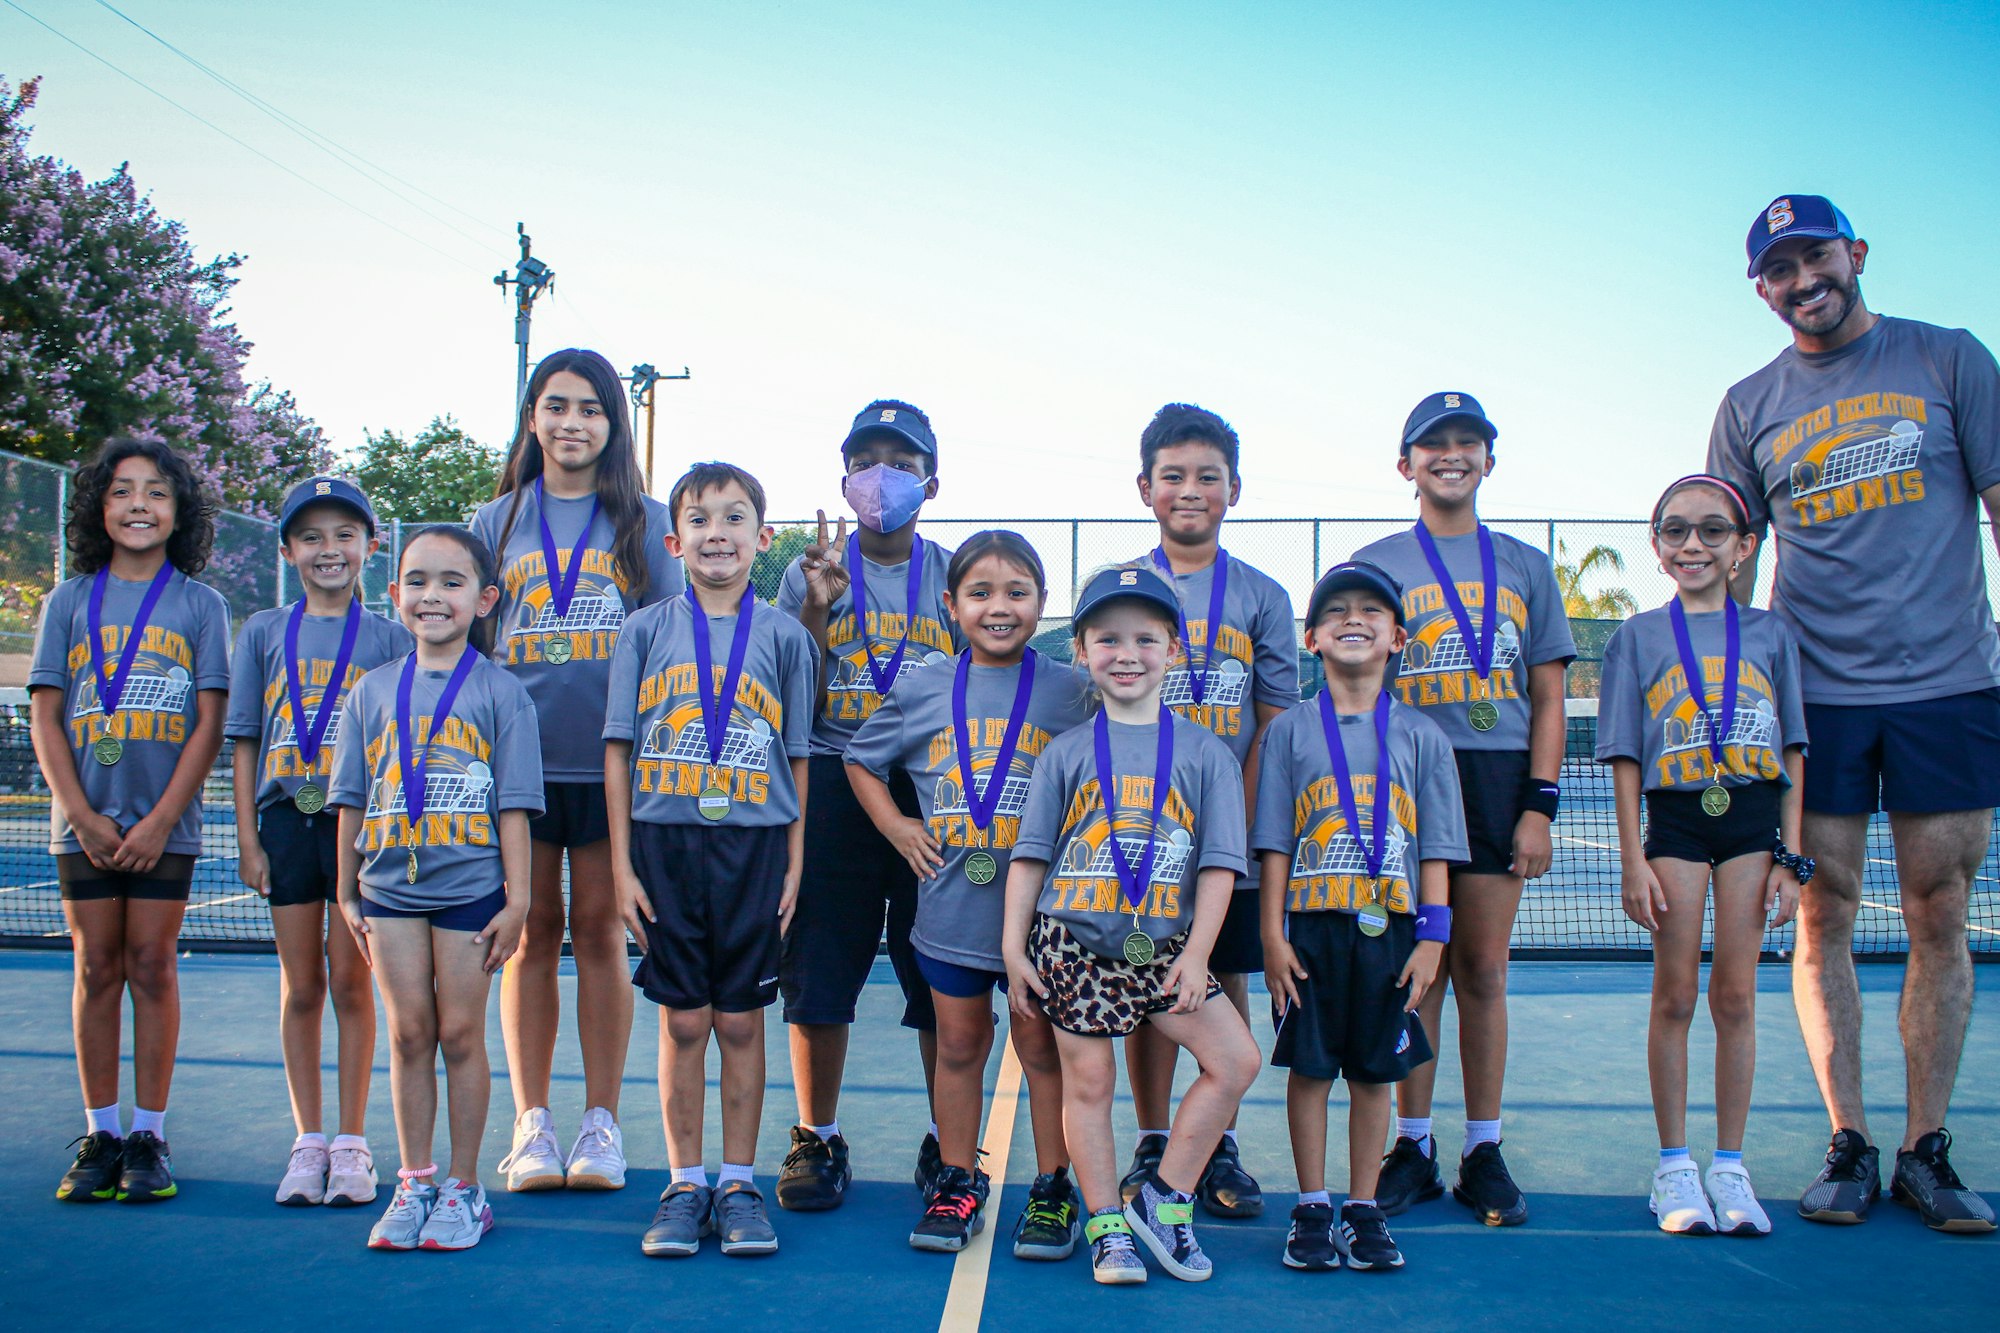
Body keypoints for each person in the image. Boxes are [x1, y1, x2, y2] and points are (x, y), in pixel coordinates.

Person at [1707, 194, 2000, 1233]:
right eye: (1778, 270)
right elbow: (1727, 565)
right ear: (1760, 289)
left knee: (1936, 909)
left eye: (1813, 257)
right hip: (1812, 699)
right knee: (1819, 913)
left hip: (1946, 688)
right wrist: (1724, 702)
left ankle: (1924, 1149)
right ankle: (1848, 1140)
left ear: (1854, 254)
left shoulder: (1950, 359)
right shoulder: (1747, 404)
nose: (1800, 280)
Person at [1001, 565, 1262, 1286]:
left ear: (1173, 650)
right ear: (1081, 650)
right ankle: (1105, 1225)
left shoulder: (1207, 753)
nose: (1127, 653)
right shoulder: (1066, 752)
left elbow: (1217, 866)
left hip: (1167, 946)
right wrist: (1012, 948)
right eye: (1107, 638)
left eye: (1145, 638)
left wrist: (1198, 952)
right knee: (1090, 1083)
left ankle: (1163, 1197)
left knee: (1236, 1060)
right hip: (1073, 942)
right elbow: (1029, 859)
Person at [1352, 393, 1575, 1226]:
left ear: (1490, 459)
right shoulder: (1377, 561)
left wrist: (1539, 805)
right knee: (1415, 970)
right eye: (1433, 444)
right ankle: (1414, 1143)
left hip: (1495, 778)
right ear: (1404, 464)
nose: (1452, 455)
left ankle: (1483, 1145)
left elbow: (1547, 695)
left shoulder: (1525, 565)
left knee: (1481, 967)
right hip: (1403, 779)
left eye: (1468, 443)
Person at [470, 348, 683, 1194]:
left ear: (612, 424)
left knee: (600, 932)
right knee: (528, 937)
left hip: (609, 768)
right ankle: (532, 1124)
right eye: (556, 405)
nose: (572, 422)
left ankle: (600, 1122)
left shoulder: (644, 518)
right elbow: (472, 648)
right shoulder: (495, 522)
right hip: (516, 771)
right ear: (532, 418)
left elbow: (671, 639)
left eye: (590, 408)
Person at [845, 531, 1093, 1256]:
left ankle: (1053, 1186)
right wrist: (897, 826)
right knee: (958, 1043)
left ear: (1043, 604)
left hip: (1044, 919)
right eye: (980, 593)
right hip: (951, 905)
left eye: (1017, 591)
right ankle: (958, 1177)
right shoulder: (922, 685)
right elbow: (862, 760)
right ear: (951, 605)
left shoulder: (1070, 689)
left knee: (1040, 1046)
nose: (999, 606)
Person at [605, 462, 816, 1259]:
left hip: (757, 846)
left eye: (734, 519)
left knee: (739, 1018)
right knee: (684, 1018)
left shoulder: (786, 637)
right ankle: (684, 1180)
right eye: (700, 519)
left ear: (762, 538)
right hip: (664, 843)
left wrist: (794, 862)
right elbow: (618, 751)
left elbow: (798, 757)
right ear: (675, 539)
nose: (717, 533)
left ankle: (737, 1181)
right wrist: (623, 864)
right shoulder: (644, 630)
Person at [1598, 476, 1809, 1237]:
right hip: (1678, 823)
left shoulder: (1771, 634)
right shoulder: (1638, 637)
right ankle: (1674, 1167)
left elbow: (1792, 748)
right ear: (1657, 548)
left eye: (1713, 531)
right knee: (1676, 993)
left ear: (1744, 546)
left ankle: (1730, 1165)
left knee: (1738, 996)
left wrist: (1793, 856)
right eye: (1677, 531)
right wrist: (1633, 857)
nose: (1694, 543)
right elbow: (1622, 755)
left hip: (1752, 821)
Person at [331, 527, 542, 1251]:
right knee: (409, 1032)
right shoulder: (371, 691)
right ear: (394, 596)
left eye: (453, 582)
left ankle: (464, 1184)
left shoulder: (502, 691)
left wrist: (519, 899)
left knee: (459, 1033)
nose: (433, 595)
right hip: (387, 889)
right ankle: (415, 1178)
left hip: (470, 893)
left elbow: (514, 803)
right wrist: (346, 890)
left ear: (484, 600)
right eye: (418, 580)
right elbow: (351, 799)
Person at [774, 400, 962, 1210]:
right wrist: (817, 608)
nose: (882, 475)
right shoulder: (807, 569)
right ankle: (819, 1135)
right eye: (866, 459)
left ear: (932, 481)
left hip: (931, 791)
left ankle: (947, 1140)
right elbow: (788, 692)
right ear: (845, 479)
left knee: (938, 975)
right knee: (820, 966)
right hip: (832, 775)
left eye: (902, 460)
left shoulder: (956, 573)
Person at [35, 437, 230, 1205]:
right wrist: (81, 813)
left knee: (152, 965)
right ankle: (101, 1131)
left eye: (156, 491)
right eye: (122, 490)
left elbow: (210, 721)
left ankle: (149, 1134)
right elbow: (47, 713)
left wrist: (161, 818)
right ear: (100, 507)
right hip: (82, 824)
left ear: (179, 512)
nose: (139, 504)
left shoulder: (199, 604)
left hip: (164, 825)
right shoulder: (68, 600)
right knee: (95, 967)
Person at [1256, 561, 1466, 1273]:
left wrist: (1434, 937)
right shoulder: (1289, 730)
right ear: (1311, 636)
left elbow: (1437, 844)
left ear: (1398, 636)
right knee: (1311, 1070)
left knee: (1376, 1074)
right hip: (1311, 929)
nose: (1355, 618)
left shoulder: (1424, 736)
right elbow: (1276, 842)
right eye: (1337, 609)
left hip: (1394, 930)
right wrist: (1272, 935)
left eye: (1372, 611)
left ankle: (1364, 1205)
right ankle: (1313, 1203)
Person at [1120, 404, 1298, 1218]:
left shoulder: (1261, 595)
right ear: (1145, 488)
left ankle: (1215, 1139)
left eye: (1207, 476)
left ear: (1234, 489)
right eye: (1174, 476)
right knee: (1142, 978)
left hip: (1223, 836)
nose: (1190, 490)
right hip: (1139, 831)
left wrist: (1240, 822)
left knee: (1218, 977)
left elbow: (1273, 719)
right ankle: (1155, 1135)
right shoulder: (1124, 587)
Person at [228, 477, 412, 1207]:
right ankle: (308, 1139)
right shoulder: (265, 632)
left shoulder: (393, 636)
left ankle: (353, 1140)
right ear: (288, 549)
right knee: (302, 984)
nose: (328, 549)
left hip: (363, 826)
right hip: (286, 820)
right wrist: (248, 836)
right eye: (311, 536)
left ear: (371, 546)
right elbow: (243, 740)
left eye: (344, 534)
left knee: (351, 982)